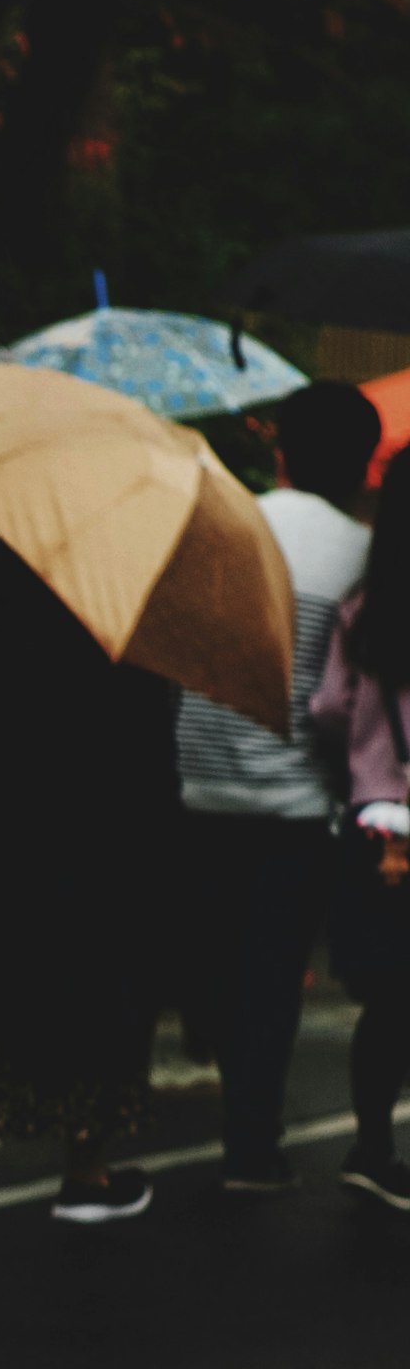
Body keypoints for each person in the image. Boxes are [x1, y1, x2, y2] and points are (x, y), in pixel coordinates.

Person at [0, 543, 181, 1235]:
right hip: (81, 845)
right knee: (88, 1007)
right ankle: (84, 1174)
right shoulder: (118, 609)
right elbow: (148, 747)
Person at [179, 379, 379, 1190]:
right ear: (365, 461)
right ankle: (250, 1144)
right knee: (271, 972)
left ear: (280, 449)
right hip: (296, 797)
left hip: (195, 777)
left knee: (219, 960)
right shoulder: (363, 554)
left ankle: (213, 1042)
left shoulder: (223, 525)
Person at [306, 493, 410, 1208]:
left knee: (387, 999)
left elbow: (325, 709)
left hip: (375, 828)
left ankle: (373, 1147)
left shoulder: (362, 608)